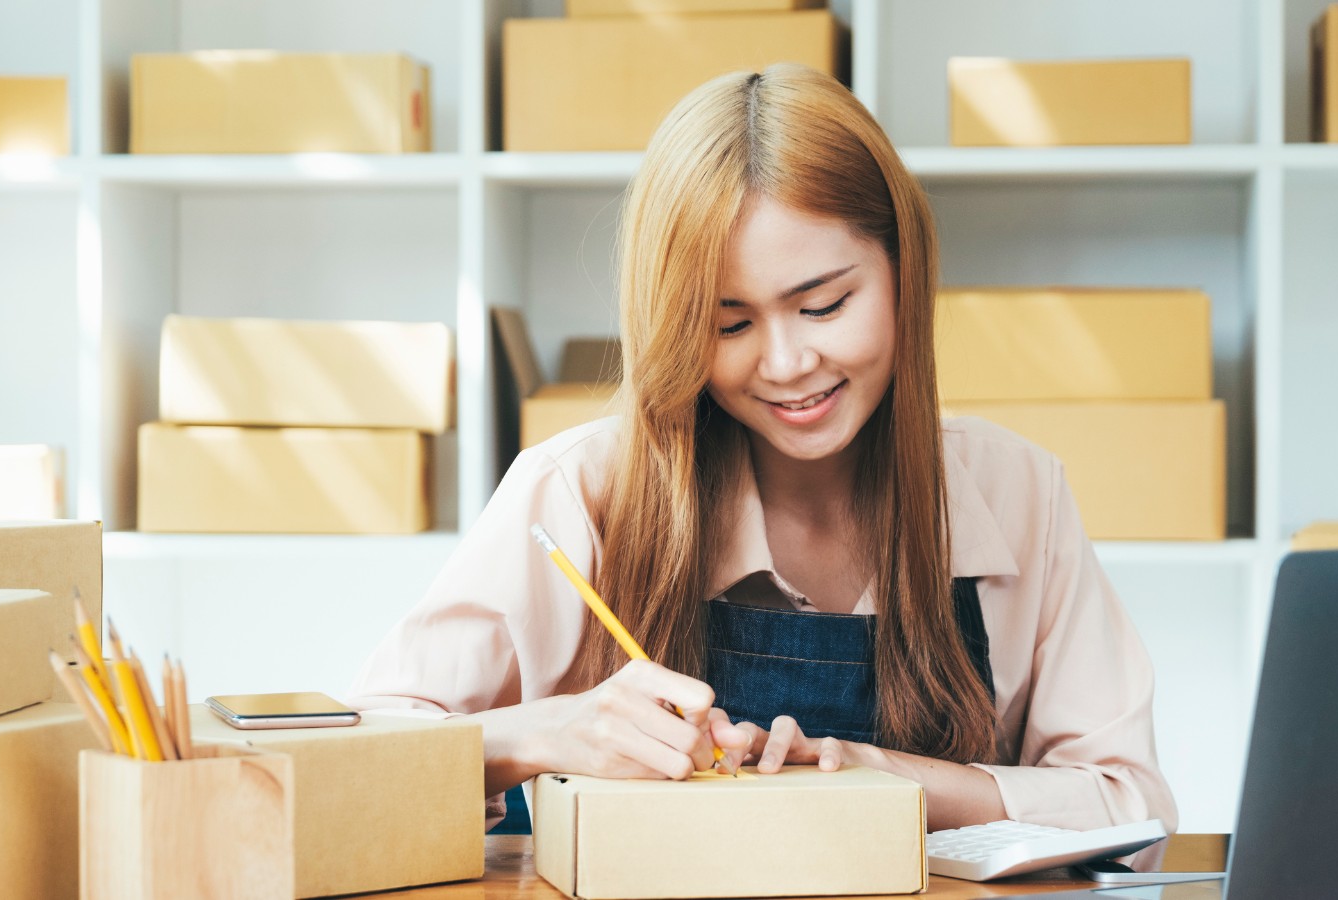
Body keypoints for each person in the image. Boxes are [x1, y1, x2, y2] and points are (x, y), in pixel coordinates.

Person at [347, 63, 1178, 836]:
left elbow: (1131, 808)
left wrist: (888, 779)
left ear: (903, 269)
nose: (785, 366)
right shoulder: (581, 489)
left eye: (823, 306)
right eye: (729, 324)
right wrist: (542, 732)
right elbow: (355, 769)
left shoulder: (1016, 489)